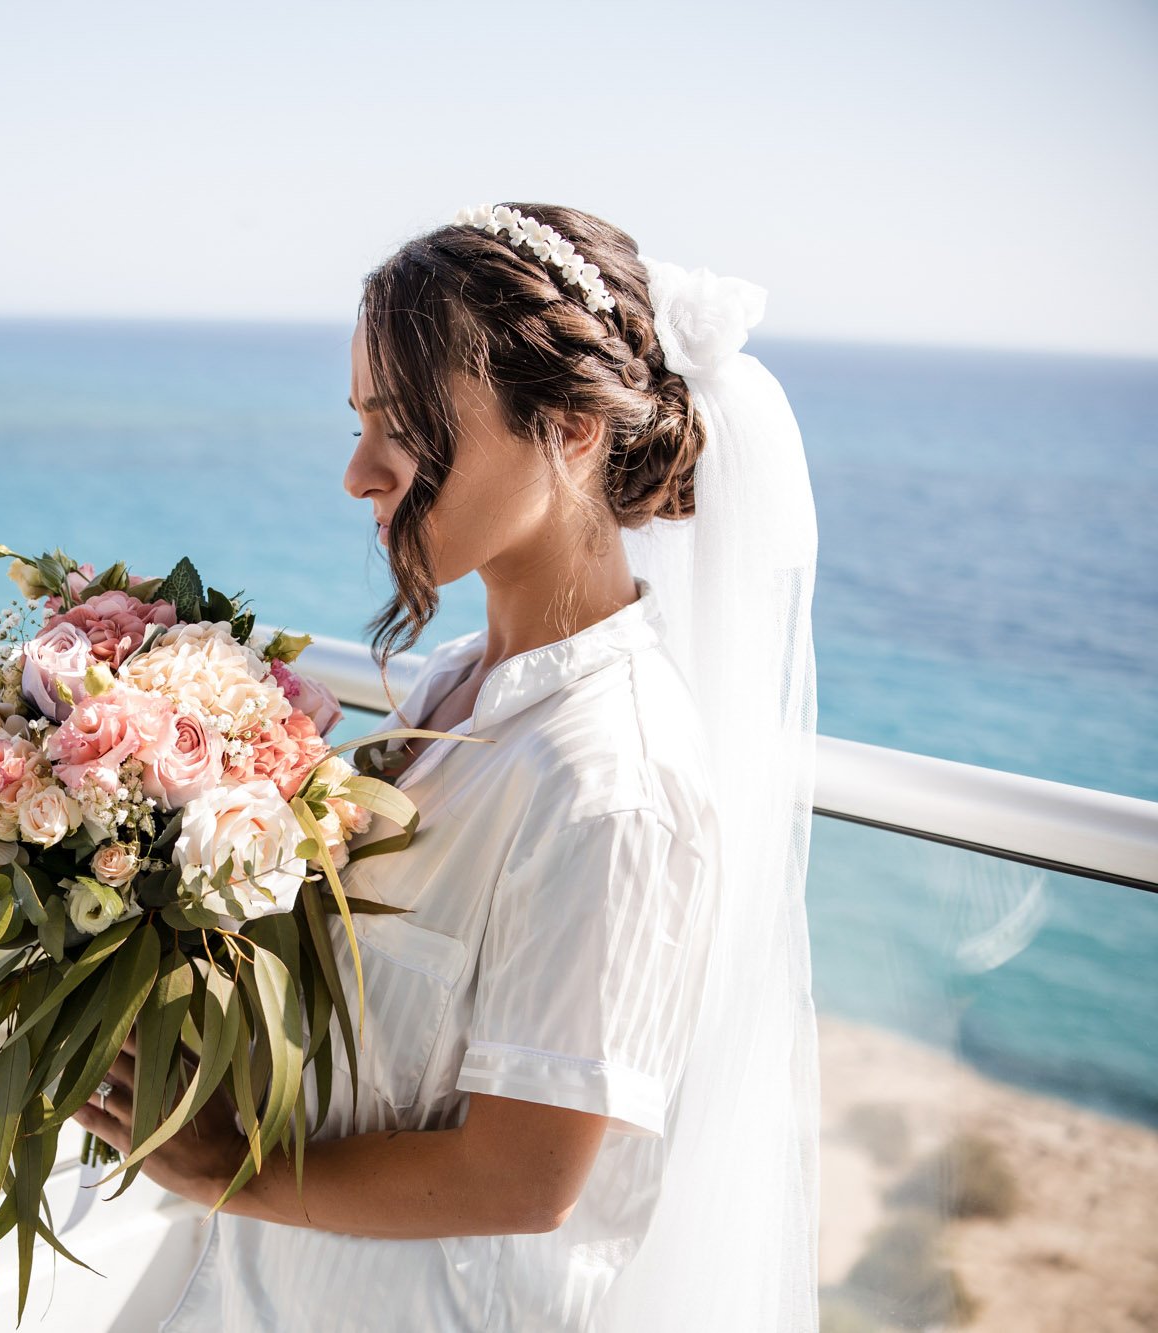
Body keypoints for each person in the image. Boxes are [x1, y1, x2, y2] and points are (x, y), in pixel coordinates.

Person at [73, 201, 822, 1331]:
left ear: (569, 427)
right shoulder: (451, 690)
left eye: (407, 426)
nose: (359, 474)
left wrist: (225, 1168)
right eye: (361, 421)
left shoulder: (603, 779)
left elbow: (522, 1178)